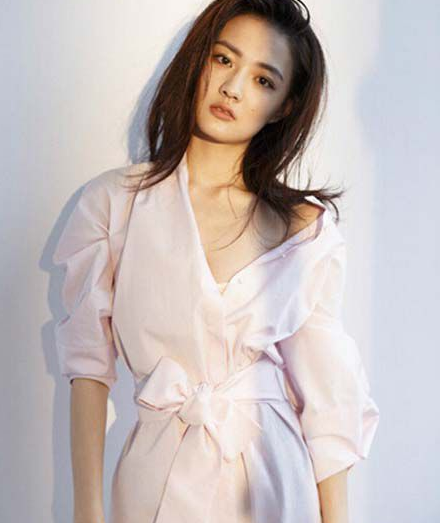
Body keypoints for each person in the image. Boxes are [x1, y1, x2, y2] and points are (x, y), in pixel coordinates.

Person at [52, 1, 380, 522]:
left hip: (274, 476)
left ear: (284, 106)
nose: (233, 88)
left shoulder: (302, 228)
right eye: (224, 60)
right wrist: (86, 513)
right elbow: (87, 367)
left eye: (263, 80)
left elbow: (328, 398)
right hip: (157, 473)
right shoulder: (114, 204)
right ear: (199, 60)